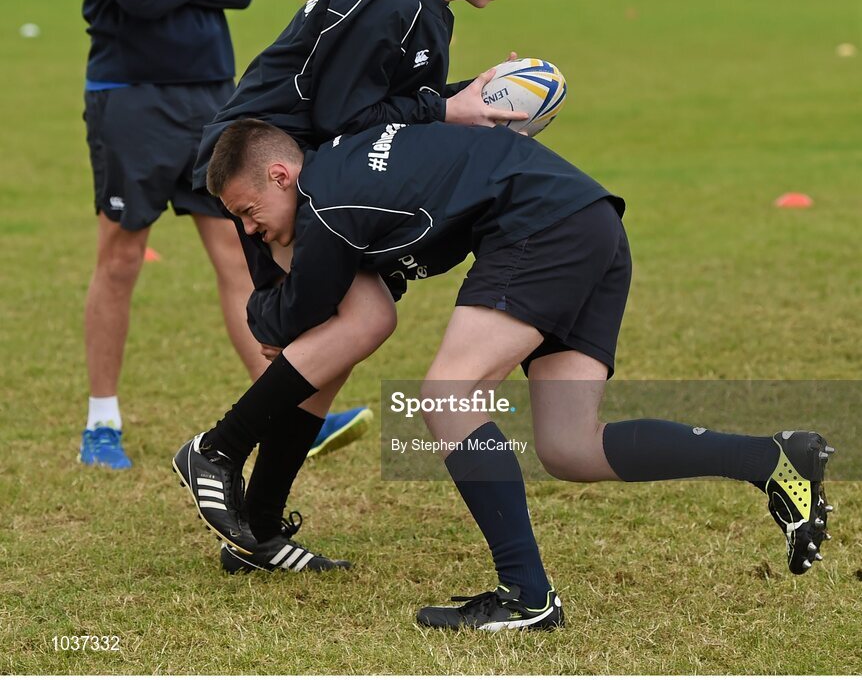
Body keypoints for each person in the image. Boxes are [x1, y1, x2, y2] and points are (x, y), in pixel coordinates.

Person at [172, 118, 834, 625]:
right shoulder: (349, 167)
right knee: (570, 446)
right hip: (592, 222)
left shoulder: (329, 206)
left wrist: (265, 304)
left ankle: (526, 597)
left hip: (540, 228)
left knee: (447, 395)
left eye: (249, 212)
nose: (250, 230)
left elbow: (292, 319)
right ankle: (773, 459)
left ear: (283, 176)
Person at [184, 0, 547, 571]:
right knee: (362, 321)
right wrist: (448, 108)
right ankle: (216, 450)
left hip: (310, 170)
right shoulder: (392, 0)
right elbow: (345, 122)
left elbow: (378, 110)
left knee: (336, 344)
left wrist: (468, 100)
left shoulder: (422, 6)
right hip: (265, 173)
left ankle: (256, 528)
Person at [68, 0, 367, 476]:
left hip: (211, 93)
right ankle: (101, 424)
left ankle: (286, 407)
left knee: (239, 257)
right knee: (122, 256)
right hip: (130, 95)